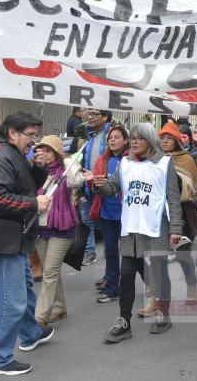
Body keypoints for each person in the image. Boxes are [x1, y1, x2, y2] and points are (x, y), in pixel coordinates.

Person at [0, 111, 54, 376]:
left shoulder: (12, 153)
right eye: (30, 135)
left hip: (14, 237)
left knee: (25, 289)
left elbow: (24, 185)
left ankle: (30, 334)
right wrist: (33, 204)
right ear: (12, 133)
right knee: (13, 301)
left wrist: (39, 168)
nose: (34, 141)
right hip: (1, 239)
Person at [94, 123, 183, 342]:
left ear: (149, 140)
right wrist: (99, 185)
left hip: (155, 227)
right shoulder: (125, 163)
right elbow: (112, 189)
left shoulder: (164, 163)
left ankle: (163, 314)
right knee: (126, 275)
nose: (133, 142)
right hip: (130, 228)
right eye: (131, 138)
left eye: (138, 138)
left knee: (159, 274)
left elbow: (173, 197)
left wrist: (176, 228)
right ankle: (124, 321)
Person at [31, 135, 85, 327]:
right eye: (42, 150)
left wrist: (68, 159)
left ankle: (40, 316)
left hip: (62, 228)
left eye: (48, 150)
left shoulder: (67, 169)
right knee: (49, 271)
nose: (45, 154)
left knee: (50, 273)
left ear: (57, 152)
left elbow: (77, 182)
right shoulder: (39, 172)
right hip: (41, 228)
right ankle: (59, 308)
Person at [158, 121, 197, 306]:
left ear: (177, 141)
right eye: (162, 139)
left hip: (182, 211)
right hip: (159, 212)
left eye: (169, 139)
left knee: (182, 253)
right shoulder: (153, 159)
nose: (165, 142)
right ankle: (157, 294)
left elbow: (193, 186)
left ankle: (191, 285)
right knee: (156, 255)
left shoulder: (186, 159)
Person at [89, 124, 129, 303]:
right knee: (111, 252)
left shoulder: (132, 160)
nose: (112, 140)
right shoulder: (101, 160)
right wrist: (94, 184)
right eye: (110, 137)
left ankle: (151, 290)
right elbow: (92, 188)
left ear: (126, 140)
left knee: (132, 254)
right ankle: (113, 289)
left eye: (117, 137)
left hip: (127, 214)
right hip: (106, 213)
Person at [79, 109, 113, 266]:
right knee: (87, 220)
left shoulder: (112, 135)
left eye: (95, 114)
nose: (90, 117)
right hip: (88, 186)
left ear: (105, 117)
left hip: (106, 186)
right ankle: (90, 252)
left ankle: (110, 257)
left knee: (106, 223)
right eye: (89, 114)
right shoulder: (88, 135)